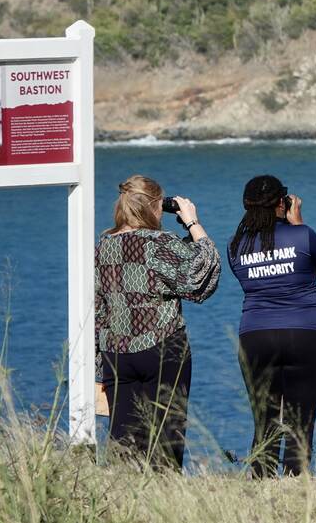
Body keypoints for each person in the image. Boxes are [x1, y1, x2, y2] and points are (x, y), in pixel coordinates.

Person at [95, 175, 221, 469]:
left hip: (116, 353)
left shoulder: (103, 247)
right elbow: (202, 273)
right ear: (154, 207)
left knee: (123, 440)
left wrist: (99, 360)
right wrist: (192, 223)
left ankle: (124, 501)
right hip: (163, 347)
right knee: (166, 437)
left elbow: (97, 306)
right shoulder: (159, 243)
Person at [227, 175, 316, 478]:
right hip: (306, 334)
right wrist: (298, 226)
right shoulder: (303, 235)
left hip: (256, 336)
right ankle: (295, 485)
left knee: (265, 420)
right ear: (282, 203)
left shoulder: (236, 245)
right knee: (301, 421)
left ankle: (262, 481)